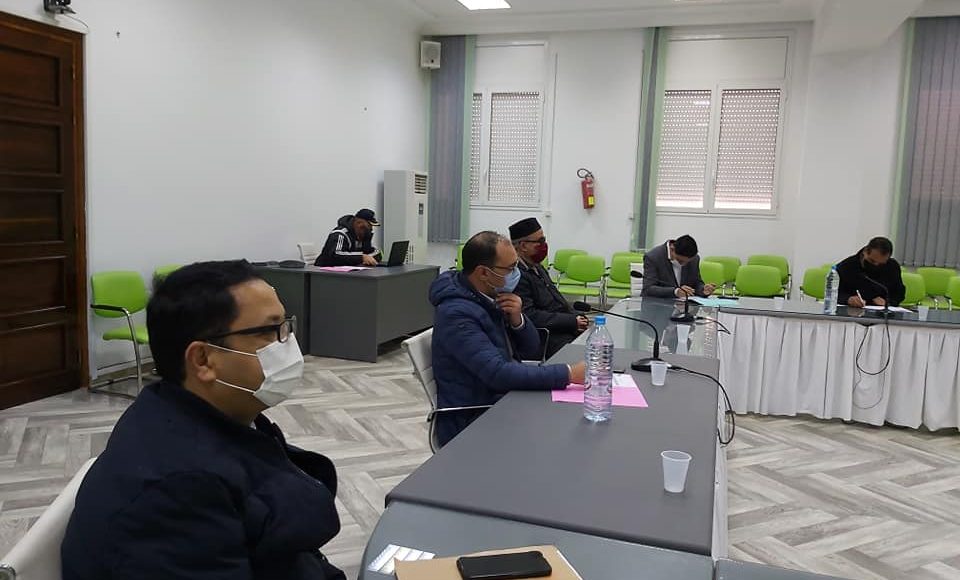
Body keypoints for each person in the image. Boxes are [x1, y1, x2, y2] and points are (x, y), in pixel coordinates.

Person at [62, 261, 345, 580]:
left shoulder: (218, 414)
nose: (288, 343)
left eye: (285, 326)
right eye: (269, 331)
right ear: (203, 360)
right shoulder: (176, 491)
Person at [430, 231, 587, 447]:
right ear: (483, 273)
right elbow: (498, 374)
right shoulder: (457, 314)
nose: (516, 274)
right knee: (562, 435)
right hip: (472, 418)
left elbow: (532, 349)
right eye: (511, 268)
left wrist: (518, 319)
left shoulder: (489, 297)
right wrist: (569, 374)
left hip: (503, 399)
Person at [509, 217, 589, 358]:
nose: (544, 245)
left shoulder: (537, 267)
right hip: (546, 336)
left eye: (544, 239)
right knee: (585, 357)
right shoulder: (516, 275)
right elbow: (529, 315)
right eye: (539, 241)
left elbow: (557, 300)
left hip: (562, 328)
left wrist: (576, 317)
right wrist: (571, 321)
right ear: (523, 246)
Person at [836, 236, 906, 308]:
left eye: (881, 264)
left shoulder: (892, 266)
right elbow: (835, 293)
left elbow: (899, 294)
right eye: (872, 261)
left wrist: (888, 302)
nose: (876, 265)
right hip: (853, 310)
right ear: (865, 252)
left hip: (882, 311)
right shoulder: (847, 266)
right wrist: (848, 299)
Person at [642, 235, 715, 299]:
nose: (684, 264)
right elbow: (648, 289)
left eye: (687, 262)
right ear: (672, 249)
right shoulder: (653, 257)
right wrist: (675, 291)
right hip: (657, 305)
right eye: (680, 261)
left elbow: (696, 282)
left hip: (684, 306)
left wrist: (703, 290)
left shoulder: (694, 259)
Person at [315, 208, 381, 267]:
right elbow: (336, 254)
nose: (371, 229)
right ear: (359, 223)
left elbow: (377, 252)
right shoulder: (340, 233)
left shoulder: (365, 235)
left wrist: (368, 257)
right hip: (325, 271)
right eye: (369, 225)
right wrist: (361, 258)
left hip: (351, 272)